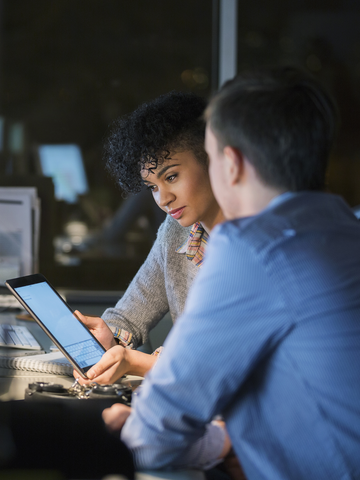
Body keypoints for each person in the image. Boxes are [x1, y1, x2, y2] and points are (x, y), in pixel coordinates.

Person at [101, 66, 360, 479]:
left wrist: (131, 430)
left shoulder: (254, 248)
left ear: (231, 163)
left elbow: (156, 433)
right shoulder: (348, 230)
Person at [75, 91, 225, 384]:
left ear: (212, 159)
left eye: (171, 177)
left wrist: (137, 362)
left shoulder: (255, 246)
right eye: (152, 187)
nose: (164, 199)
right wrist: (110, 338)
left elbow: (220, 364)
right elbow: (129, 317)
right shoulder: (176, 232)